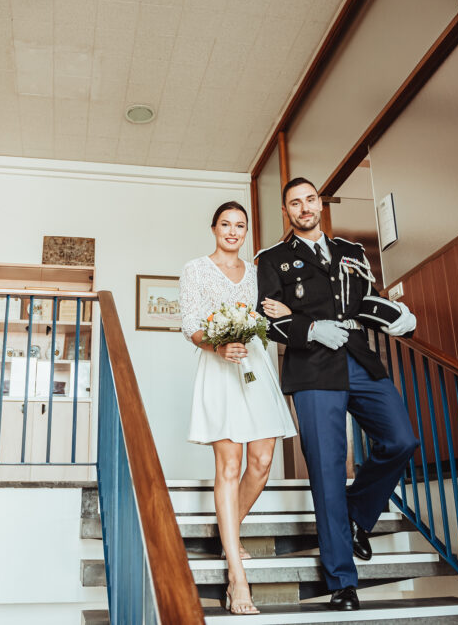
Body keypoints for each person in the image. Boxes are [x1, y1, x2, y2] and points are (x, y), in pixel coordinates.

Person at [255, 178, 420, 611]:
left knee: (401, 439)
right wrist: (309, 327)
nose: (304, 207)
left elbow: (364, 300)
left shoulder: (351, 251)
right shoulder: (272, 260)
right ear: (287, 211)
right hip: (311, 369)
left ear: (320, 204)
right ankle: (343, 581)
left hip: (359, 358)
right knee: (327, 473)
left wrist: (396, 316)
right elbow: (266, 320)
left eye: (310, 199)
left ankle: (355, 511)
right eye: (295, 203)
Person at [179, 200, 297, 616]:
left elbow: (274, 313)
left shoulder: (259, 271)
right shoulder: (195, 269)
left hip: (256, 365)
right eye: (226, 224)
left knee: (262, 461)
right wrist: (217, 344)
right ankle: (236, 577)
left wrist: (285, 312)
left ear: (246, 233)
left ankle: (230, 527)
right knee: (228, 467)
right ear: (214, 228)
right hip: (219, 367)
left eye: (240, 226)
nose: (232, 231)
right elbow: (190, 324)